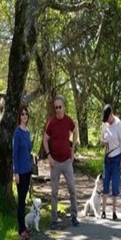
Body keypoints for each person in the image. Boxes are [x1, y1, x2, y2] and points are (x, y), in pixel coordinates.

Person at [42, 95, 79, 230]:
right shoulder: (51, 122)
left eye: (60, 107)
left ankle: (74, 216)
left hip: (67, 161)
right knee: (54, 192)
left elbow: (75, 132)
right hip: (55, 162)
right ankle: (54, 220)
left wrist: (73, 149)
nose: (58, 110)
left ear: (64, 107)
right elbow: (45, 139)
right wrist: (48, 156)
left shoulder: (68, 120)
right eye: (56, 107)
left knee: (72, 189)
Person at [101, 104, 121, 220]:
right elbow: (102, 139)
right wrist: (104, 141)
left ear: (111, 114)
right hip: (107, 157)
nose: (108, 121)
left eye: (108, 118)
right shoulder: (105, 125)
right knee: (105, 183)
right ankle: (104, 211)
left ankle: (114, 212)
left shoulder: (118, 124)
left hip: (116, 157)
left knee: (115, 185)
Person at [13, 105, 33, 240]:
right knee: (20, 201)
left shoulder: (27, 132)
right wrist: (15, 172)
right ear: (19, 117)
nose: (24, 116)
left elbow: (28, 151)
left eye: (26, 114)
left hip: (28, 170)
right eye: (22, 114)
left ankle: (24, 227)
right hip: (20, 172)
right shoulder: (17, 133)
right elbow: (14, 153)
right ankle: (21, 230)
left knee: (24, 199)